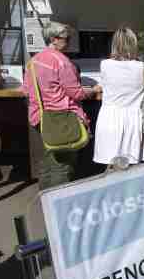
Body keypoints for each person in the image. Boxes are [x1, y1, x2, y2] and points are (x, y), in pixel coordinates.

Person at [27, 21, 100, 190]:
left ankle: (45, 197)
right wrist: (93, 89)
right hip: (63, 119)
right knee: (63, 165)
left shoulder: (34, 61)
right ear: (54, 39)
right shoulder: (62, 63)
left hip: (41, 117)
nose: (69, 42)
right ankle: (59, 205)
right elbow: (76, 93)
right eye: (66, 39)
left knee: (48, 161)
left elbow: (27, 89)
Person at [94, 26, 144, 168]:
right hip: (133, 120)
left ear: (115, 44)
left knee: (111, 167)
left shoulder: (105, 65)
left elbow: (104, 84)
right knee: (131, 168)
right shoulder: (143, 67)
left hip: (109, 119)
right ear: (134, 44)